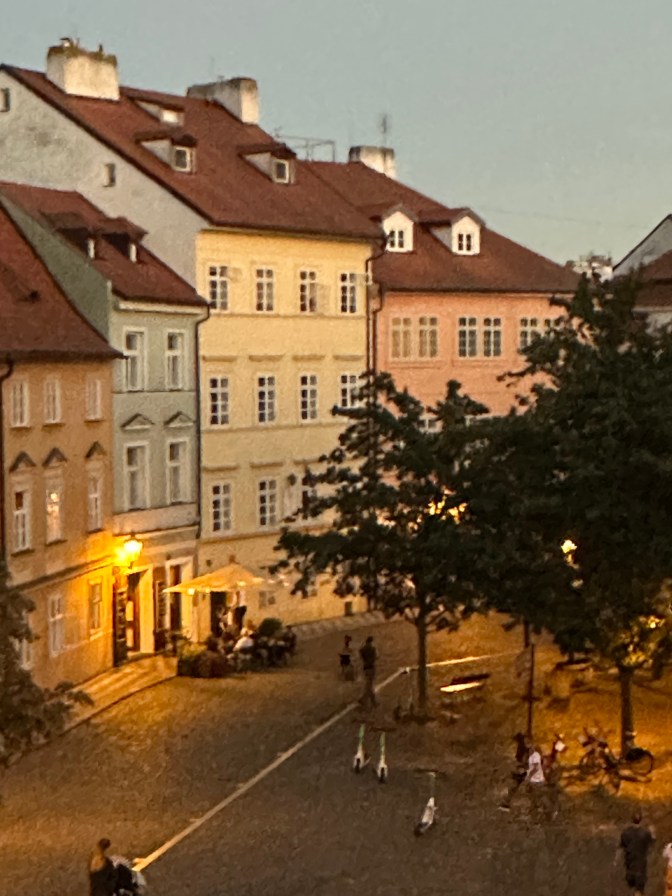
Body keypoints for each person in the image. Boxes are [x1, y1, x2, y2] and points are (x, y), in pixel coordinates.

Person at [616, 809, 655, 896]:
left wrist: (616, 861)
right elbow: (652, 843)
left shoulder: (626, 833)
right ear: (641, 820)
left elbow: (621, 847)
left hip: (629, 865)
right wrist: (652, 832)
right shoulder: (645, 833)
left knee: (631, 886)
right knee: (639, 889)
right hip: (640, 865)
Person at [499, 732, 530, 811]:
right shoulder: (512, 793)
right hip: (520, 771)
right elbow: (516, 782)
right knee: (521, 754)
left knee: (520, 754)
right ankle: (521, 739)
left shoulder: (510, 794)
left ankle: (520, 739)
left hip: (519, 771)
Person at [525, 743, 546, 820]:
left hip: (537, 781)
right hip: (535, 780)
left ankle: (538, 815)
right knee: (534, 798)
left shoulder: (535, 755)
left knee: (536, 798)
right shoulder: (532, 756)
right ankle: (534, 815)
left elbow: (536, 768)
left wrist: (529, 776)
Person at [359, 635, 378, 709]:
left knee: (369, 685)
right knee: (369, 685)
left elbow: (361, 653)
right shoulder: (373, 649)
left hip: (366, 668)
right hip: (371, 668)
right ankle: (365, 700)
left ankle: (373, 701)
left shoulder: (363, 649)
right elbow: (375, 657)